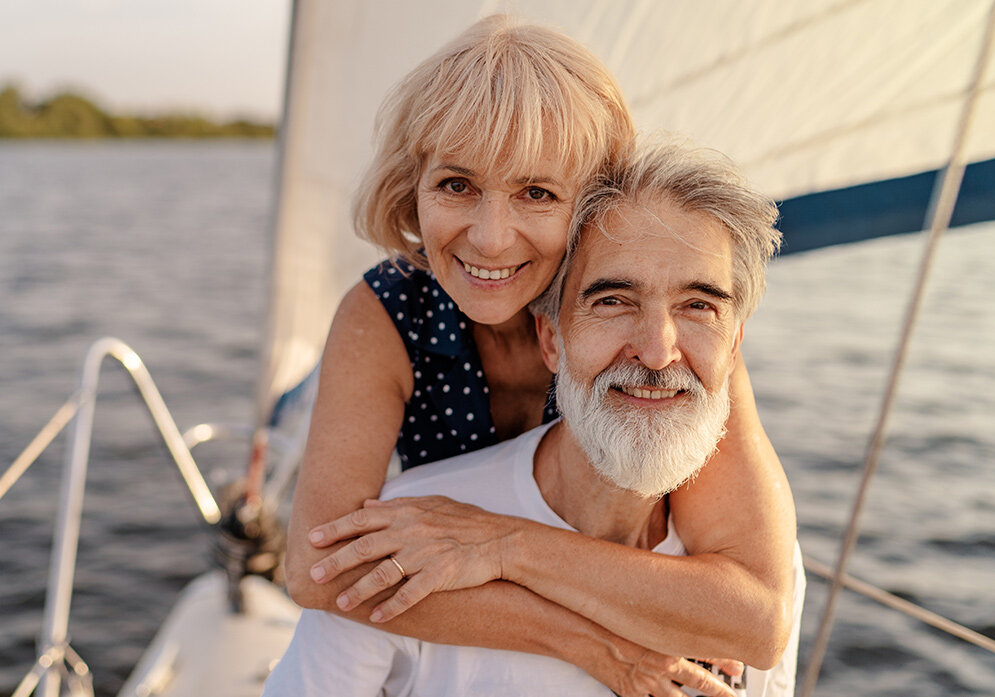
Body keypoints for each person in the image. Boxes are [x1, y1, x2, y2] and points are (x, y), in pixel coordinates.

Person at [285, 15, 797, 693]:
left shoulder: (654, 344)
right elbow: (319, 569)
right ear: (412, 187)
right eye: (456, 185)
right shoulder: (386, 315)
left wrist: (505, 542)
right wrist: (591, 644)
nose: (491, 239)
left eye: (537, 193)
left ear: (593, 205)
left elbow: (757, 618)